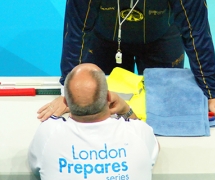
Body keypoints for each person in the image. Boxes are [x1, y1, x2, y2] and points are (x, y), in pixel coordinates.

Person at [37, 0, 215, 125]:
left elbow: (196, 32)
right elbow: (77, 28)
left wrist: (212, 93)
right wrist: (68, 93)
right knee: (96, 110)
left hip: (161, 38)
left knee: (163, 113)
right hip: (104, 38)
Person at [29, 63, 159, 180]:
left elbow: (36, 168)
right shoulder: (139, 133)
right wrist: (126, 109)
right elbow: (154, 146)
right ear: (109, 97)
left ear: (65, 102)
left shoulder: (47, 134)